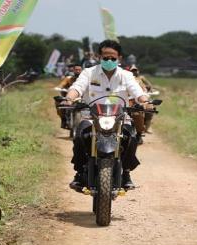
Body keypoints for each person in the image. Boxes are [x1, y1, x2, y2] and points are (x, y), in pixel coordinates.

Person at [62, 40, 152, 190]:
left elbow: (138, 92)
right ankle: (79, 173)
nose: (109, 61)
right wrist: (69, 98)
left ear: (119, 58)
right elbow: (76, 88)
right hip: (91, 116)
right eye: (105, 58)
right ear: (99, 57)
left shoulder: (126, 75)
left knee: (131, 137)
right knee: (79, 136)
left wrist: (145, 102)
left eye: (112, 58)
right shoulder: (88, 73)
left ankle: (126, 173)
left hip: (120, 117)